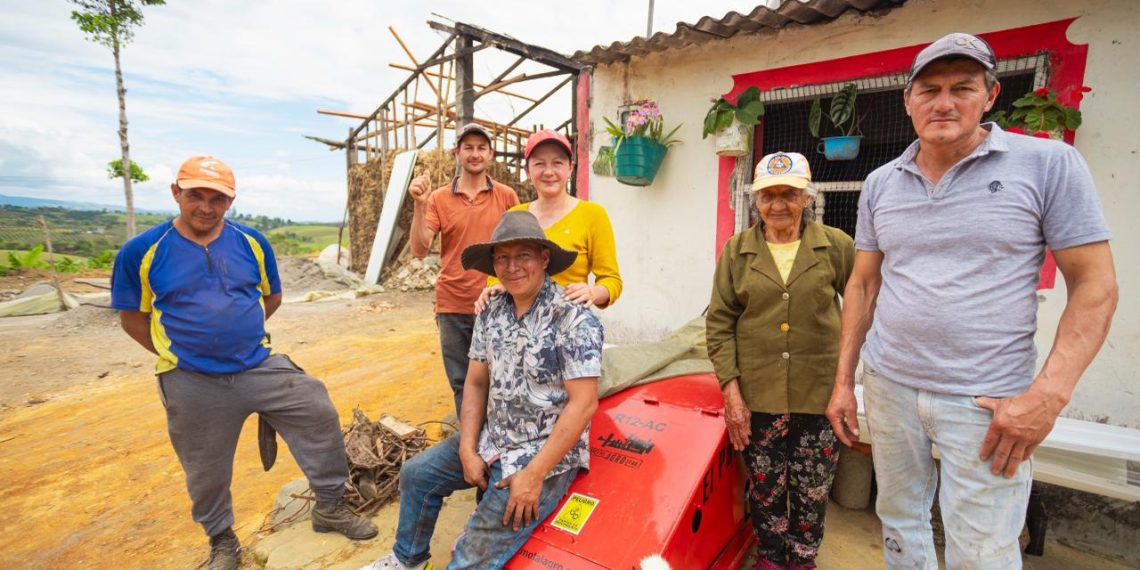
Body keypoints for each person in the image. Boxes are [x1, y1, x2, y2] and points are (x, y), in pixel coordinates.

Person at [824, 32, 1118, 569]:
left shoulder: (1048, 165)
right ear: (908, 101)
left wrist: (1047, 397)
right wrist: (846, 382)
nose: (944, 102)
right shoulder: (880, 183)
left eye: (963, 87)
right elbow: (864, 284)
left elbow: (1095, 285)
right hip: (890, 385)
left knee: (981, 546)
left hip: (989, 400)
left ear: (991, 95)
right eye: (929, 89)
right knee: (899, 519)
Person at [111, 156, 377, 570]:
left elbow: (271, 297)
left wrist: (239, 335)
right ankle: (222, 540)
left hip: (257, 364)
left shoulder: (252, 242)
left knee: (315, 407)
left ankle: (329, 507)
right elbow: (132, 318)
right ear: (175, 193)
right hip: (191, 378)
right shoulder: (142, 251)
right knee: (205, 466)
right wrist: (180, 353)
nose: (205, 206)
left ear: (230, 200)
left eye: (217, 198)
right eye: (195, 195)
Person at [360, 211, 603, 570]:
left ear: (544, 259)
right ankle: (407, 559)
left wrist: (533, 476)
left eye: (523, 255)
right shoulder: (492, 311)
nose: (512, 266)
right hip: (494, 439)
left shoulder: (573, 318)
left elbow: (583, 404)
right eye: (502, 257)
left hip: (542, 456)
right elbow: (475, 382)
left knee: (468, 558)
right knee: (417, 474)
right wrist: (466, 448)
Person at [707, 152, 855, 570]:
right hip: (759, 394)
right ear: (755, 200)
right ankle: (771, 558)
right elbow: (719, 323)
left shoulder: (836, 246)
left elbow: (861, 309)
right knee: (766, 487)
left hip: (818, 392)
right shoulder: (737, 251)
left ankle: (803, 560)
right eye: (768, 195)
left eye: (788, 194)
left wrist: (847, 383)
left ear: (806, 197)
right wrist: (732, 393)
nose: (778, 205)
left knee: (812, 488)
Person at [407, 123, 520, 416]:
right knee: (462, 382)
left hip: (499, 303)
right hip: (453, 306)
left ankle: (499, 446)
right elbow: (419, 249)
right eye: (468, 147)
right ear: (457, 152)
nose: (475, 154)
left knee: (504, 379)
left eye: (481, 148)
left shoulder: (507, 197)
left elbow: (521, 247)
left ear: (491, 154)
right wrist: (419, 206)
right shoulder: (439, 199)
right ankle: (470, 447)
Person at [476, 129, 621, 311]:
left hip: (568, 324)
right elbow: (500, 265)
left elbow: (611, 280)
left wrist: (592, 292)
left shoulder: (592, 214)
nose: (549, 172)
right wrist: (494, 286)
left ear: (570, 168)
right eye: (539, 164)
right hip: (519, 326)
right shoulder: (516, 214)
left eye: (557, 163)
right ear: (527, 171)